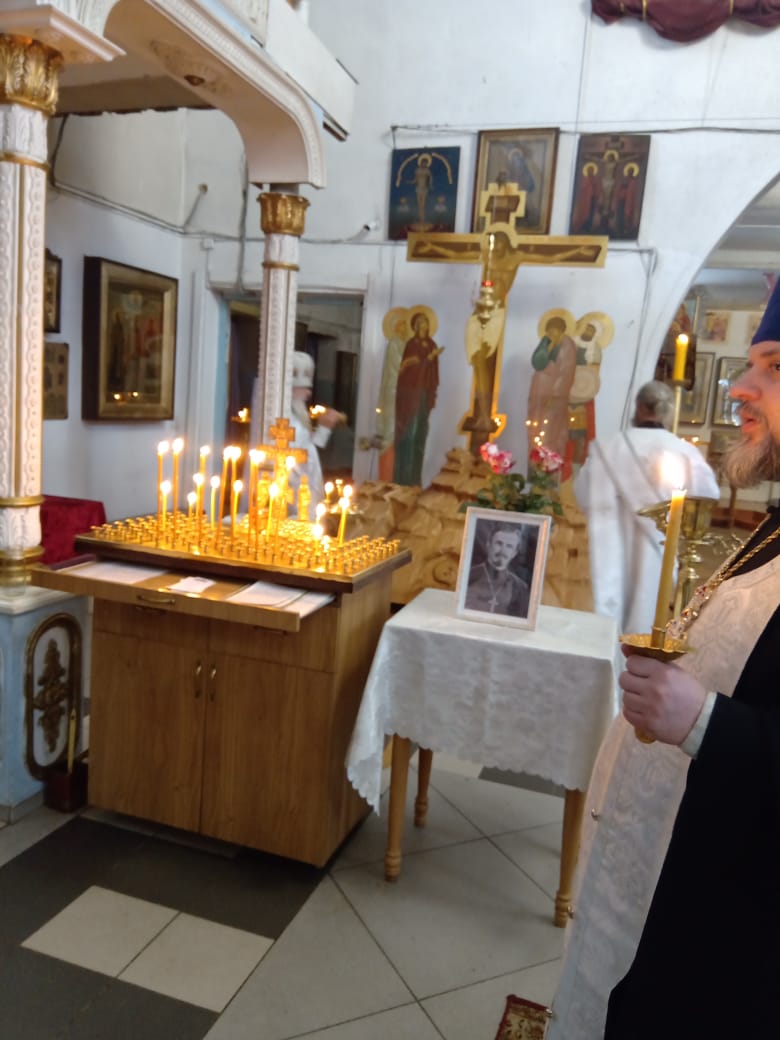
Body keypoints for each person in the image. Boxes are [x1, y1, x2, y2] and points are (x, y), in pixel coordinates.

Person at [547, 289, 780, 1040]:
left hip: (731, 947)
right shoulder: (760, 514)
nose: (740, 388)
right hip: (665, 888)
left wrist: (704, 721)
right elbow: (705, 497)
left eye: (774, 367)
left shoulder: (611, 449)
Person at [574, 380, 720, 635]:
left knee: (606, 612)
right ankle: (636, 654)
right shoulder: (682, 450)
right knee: (647, 610)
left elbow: (583, 492)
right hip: (659, 543)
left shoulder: (609, 447)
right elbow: (708, 494)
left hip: (609, 542)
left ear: (639, 407)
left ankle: (605, 652)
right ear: (668, 411)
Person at [288, 350, 343, 517]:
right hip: (295, 484)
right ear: (291, 389)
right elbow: (302, 453)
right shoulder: (287, 419)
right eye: (304, 388)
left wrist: (324, 427)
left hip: (307, 479)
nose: (308, 393)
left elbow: (309, 446)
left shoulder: (297, 414)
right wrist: (323, 428)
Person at [393, 310, 443, 486]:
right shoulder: (411, 345)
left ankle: (415, 479)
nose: (424, 326)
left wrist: (431, 360)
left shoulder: (431, 344)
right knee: (410, 433)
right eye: (421, 323)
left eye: (426, 322)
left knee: (421, 433)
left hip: (424, 393)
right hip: (410, 394)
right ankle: (403, 479)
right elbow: (407, 372)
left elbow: (432, 371)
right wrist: (427, 359)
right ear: (415, 326)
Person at [526, 313, 578, 461]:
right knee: (535, 428)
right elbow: (537, 362)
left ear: (561, 330)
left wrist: (554, 395)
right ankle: (535, 460)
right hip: (538, 393)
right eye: (549, 330)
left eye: (554, 331)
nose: (551, 334)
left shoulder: (567, 346)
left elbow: (566, 373)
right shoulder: (546, 341)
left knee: (550, 430)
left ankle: (548, 462)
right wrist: (546, 345)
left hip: (555, 396)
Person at [465, 521, 530, 617]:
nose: (503, 551)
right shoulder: (468, 575)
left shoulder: (520, 588)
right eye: (499, 543)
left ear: (514, 553)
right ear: (488, 544)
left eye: (509, 546)